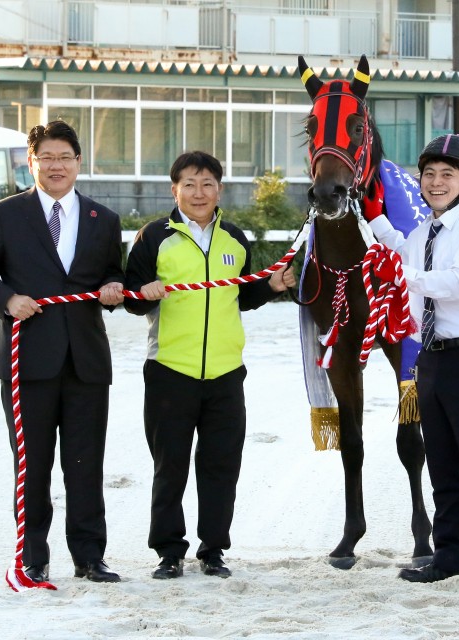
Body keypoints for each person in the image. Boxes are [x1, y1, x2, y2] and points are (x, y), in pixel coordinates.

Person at [0, 120, 125, 584]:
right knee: (32, 466)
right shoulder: (7, 214)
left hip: (86, 361)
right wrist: (8, 300)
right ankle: (33, 556)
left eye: (65, 157)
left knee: (85, 464)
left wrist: (114, 288)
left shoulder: (103, 219)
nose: (57, 166)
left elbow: (112, 275)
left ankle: (90, 557)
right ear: (31, 162)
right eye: (47, 158)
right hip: (26, 359)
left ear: (79, 162)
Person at [124, 151, 295, 580]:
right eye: (189, 184)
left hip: (226, 373)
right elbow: (130, 298)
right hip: (169, 371)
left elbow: (240, 296)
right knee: (170, 467)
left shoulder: (235, 238)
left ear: (220, 189)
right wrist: (143, 292)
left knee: (221, 466)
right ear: (175, 190)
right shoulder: (153, 237)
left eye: (207, 184)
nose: (198, 193)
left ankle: (213, 549)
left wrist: (271, 286)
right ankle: (168, 552)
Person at [363, 134, 459, 592]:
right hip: (431, 358)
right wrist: (373, 216)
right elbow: (400, 248)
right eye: (428, 173)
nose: (435, 182)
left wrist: (401, 274)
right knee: (443, 466)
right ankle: (450, 554)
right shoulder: (423, 232)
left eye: (447, 174)